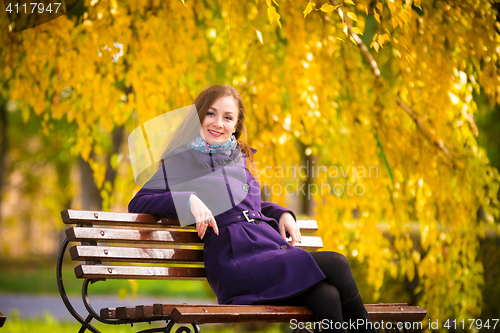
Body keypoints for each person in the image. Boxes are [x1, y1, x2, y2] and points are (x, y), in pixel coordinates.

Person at [128, 84, 375, 333]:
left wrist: (282, 213)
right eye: (211, 114)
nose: (218, 123)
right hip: (235, 260)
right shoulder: (183, 160)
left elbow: (250, 204)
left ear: (236, 125)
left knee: (328, 296)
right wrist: (188, 200)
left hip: (264, 250)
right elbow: (139, 201)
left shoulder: (237, 157)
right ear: (198, 115)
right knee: (337, 262)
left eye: (228, 117)